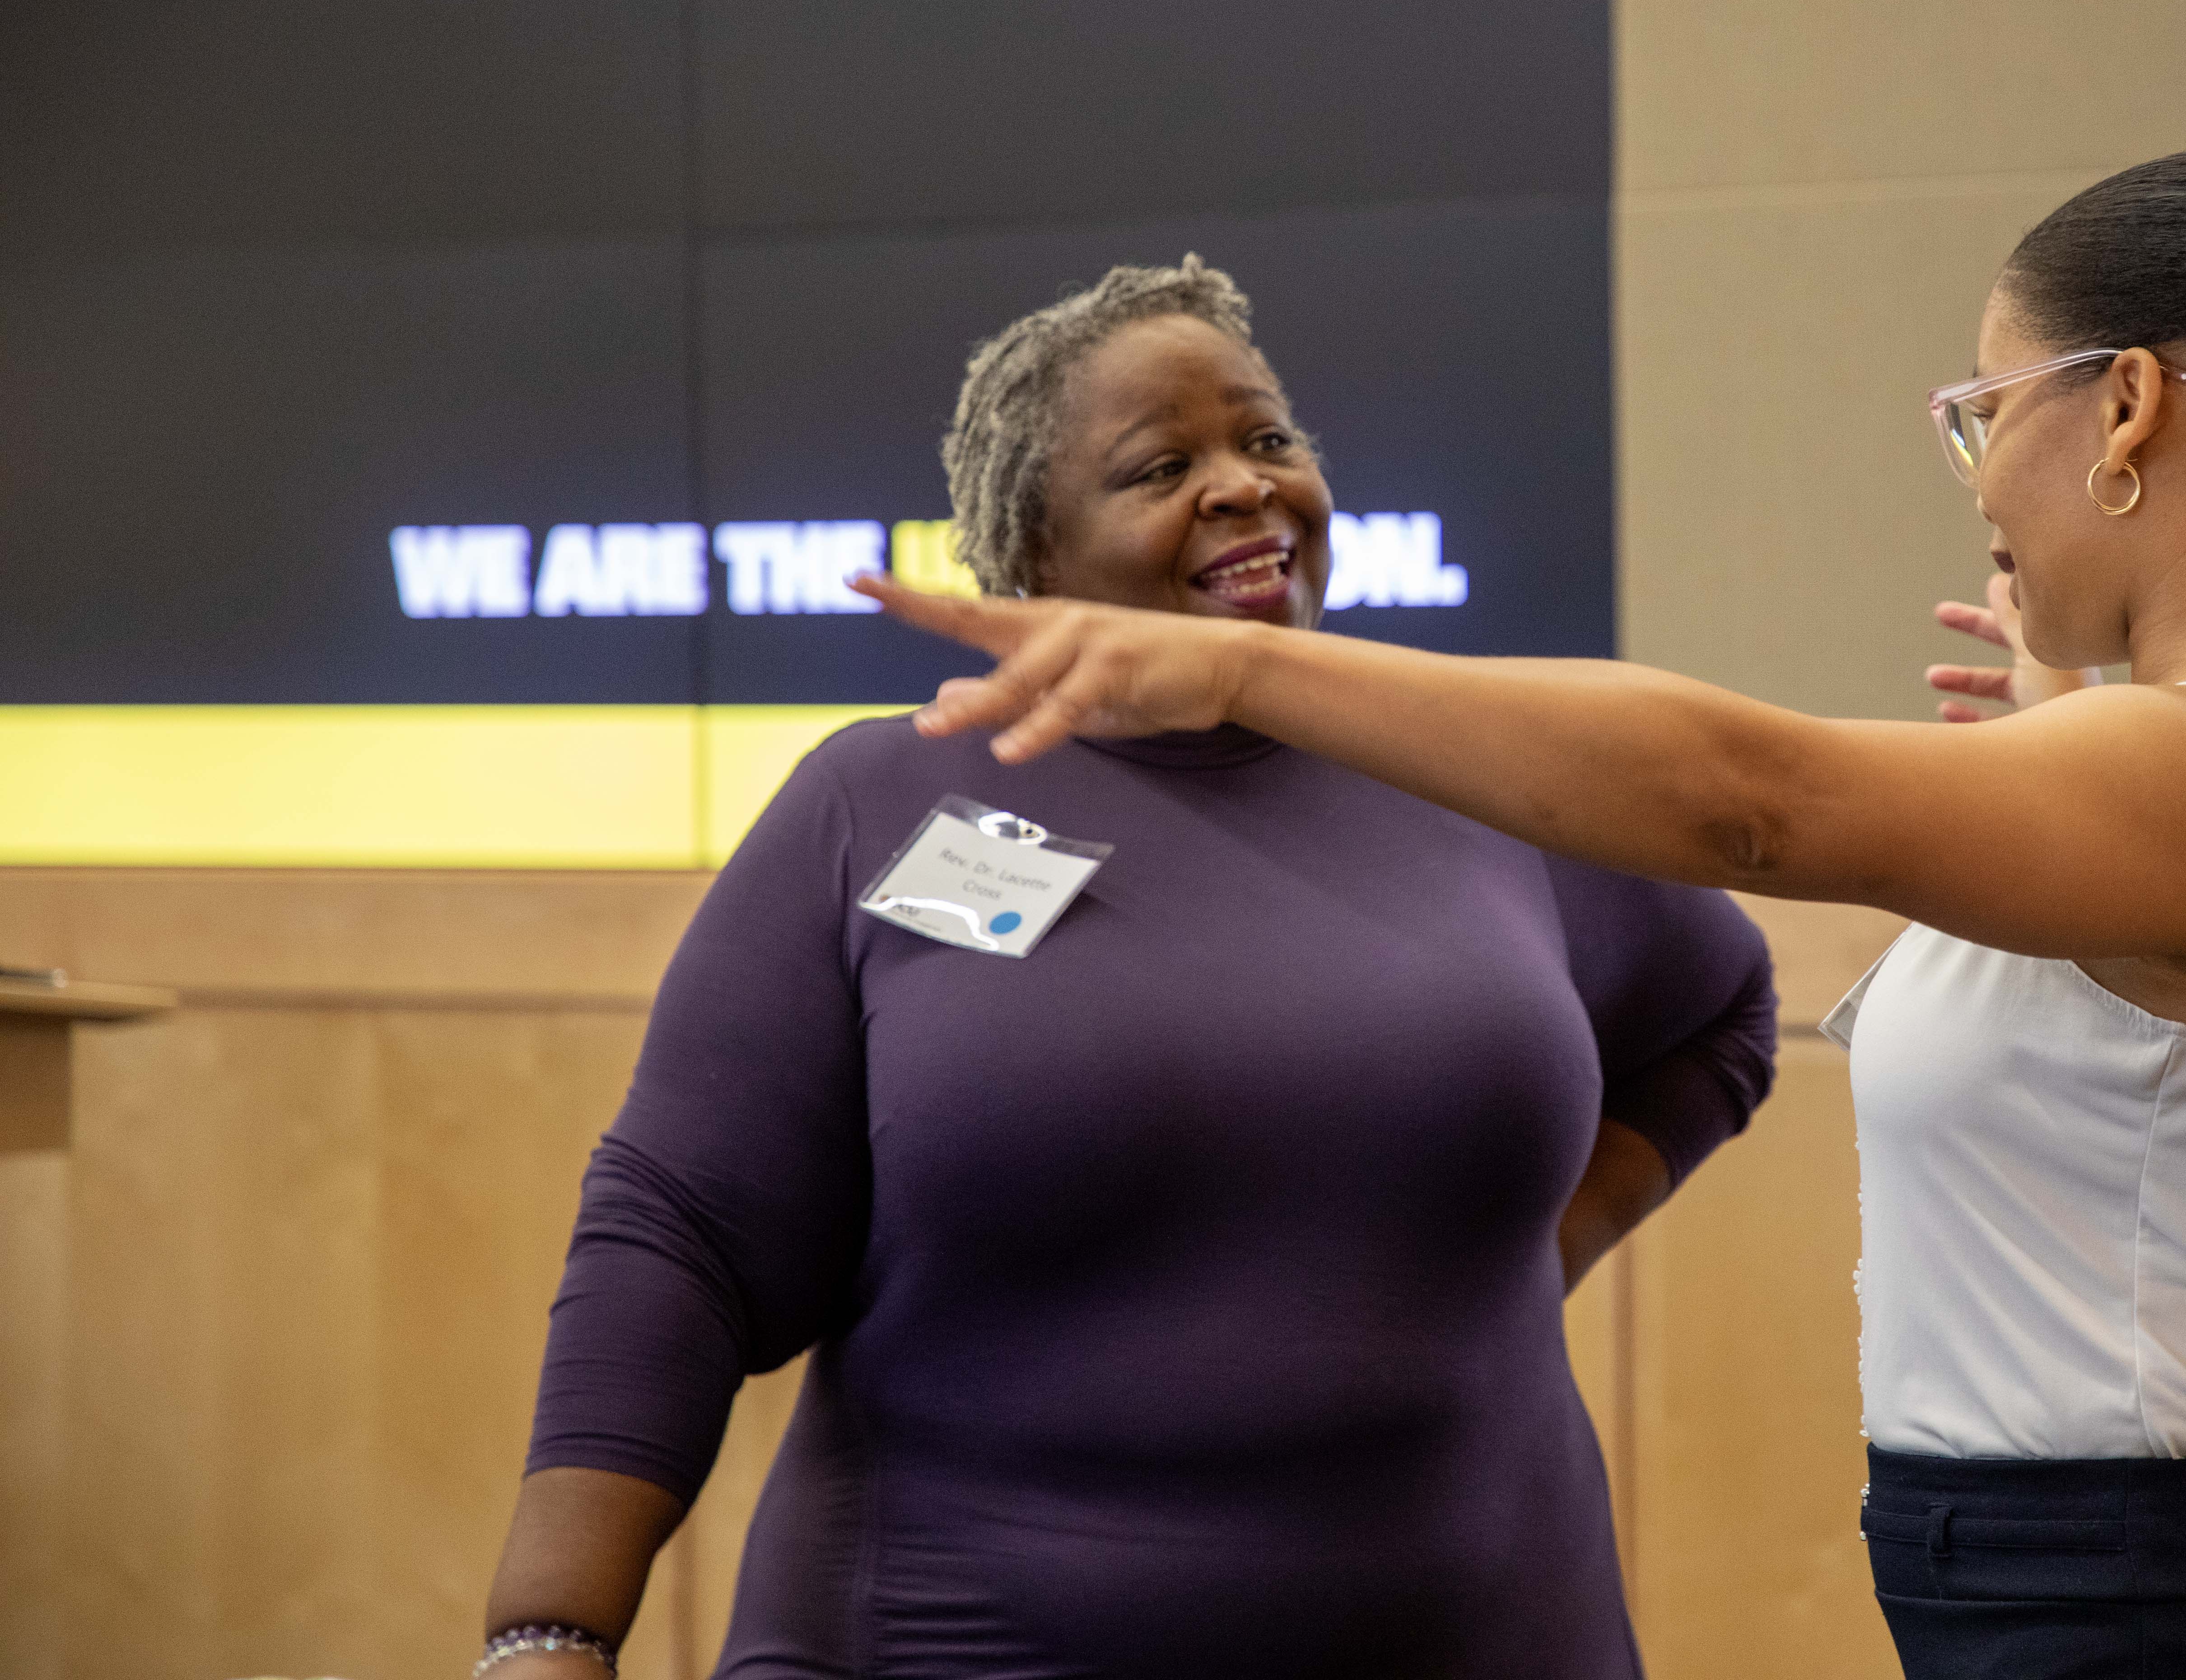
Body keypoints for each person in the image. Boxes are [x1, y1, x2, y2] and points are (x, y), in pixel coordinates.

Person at [858, 148, 2186, 1679]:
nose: (1979, 477)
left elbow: (1749, 799)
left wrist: (1239, 666)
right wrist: (2074, 733)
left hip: (2183, 1610)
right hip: (2137, 1589)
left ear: (2131, 406)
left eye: (1983, 410)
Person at [477, 258, 1779, 1680]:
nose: (1243, 485)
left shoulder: (1479, 764)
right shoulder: (877, 806)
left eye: (1269, 439)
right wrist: (552, 1631)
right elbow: (681, 1237)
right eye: (1164, 465)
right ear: (1030, 559)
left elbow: (1718, 1011)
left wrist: (1530, 1260)